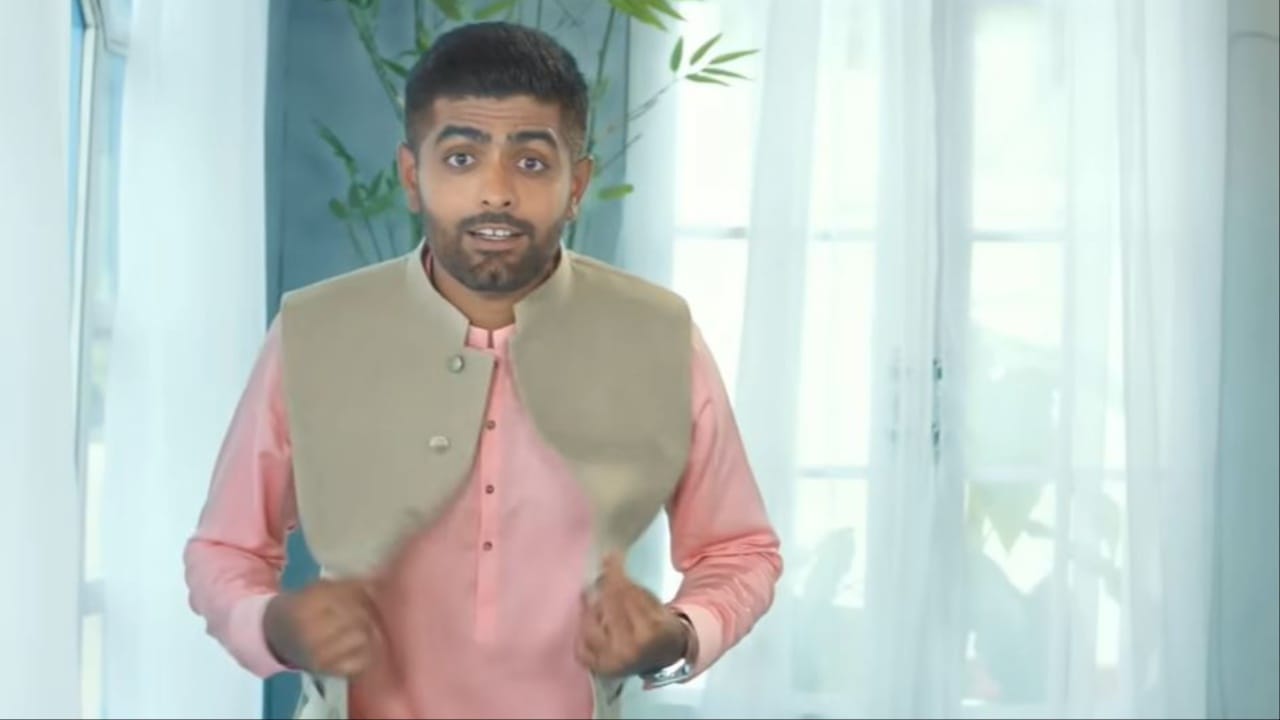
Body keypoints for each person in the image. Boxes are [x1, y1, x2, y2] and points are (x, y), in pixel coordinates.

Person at [184, 21, 781, 720]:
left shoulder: (661, 337)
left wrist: (677, 633)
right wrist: (272, 625)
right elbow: (222, 549)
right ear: (413, 177)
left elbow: (741, 549)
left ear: (577, 184)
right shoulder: (312, 331)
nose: (496, 192)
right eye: (462, 158)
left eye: (531, 162)